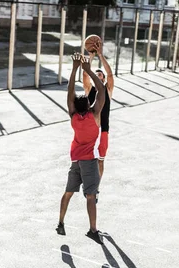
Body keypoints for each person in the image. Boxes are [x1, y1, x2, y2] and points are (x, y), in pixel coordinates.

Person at [56, 53, 105, 244]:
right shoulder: (95, 115)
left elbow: (69, 93)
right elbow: (101, 91)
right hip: (89, 162)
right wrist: (88, 70)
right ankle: (93, 230)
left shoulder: (73, 117)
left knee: (68, 192)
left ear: (75, 107)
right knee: (91, 196)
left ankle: (60, 222)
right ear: (89, 105)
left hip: (75, 161)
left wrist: (75, 68)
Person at [82, 40, 114, 184]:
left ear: (103, 78)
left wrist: (100, 55)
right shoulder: (90, 90)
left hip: (103, 130)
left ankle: (96, 187)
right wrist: (91, 57)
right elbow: (84, 75)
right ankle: (86, 182)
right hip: (89, 130)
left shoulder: (107, 90)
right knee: (86, 160)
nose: (98, 74)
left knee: (100, 161)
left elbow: (110, 74)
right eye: (96, 73)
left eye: (100, 74)